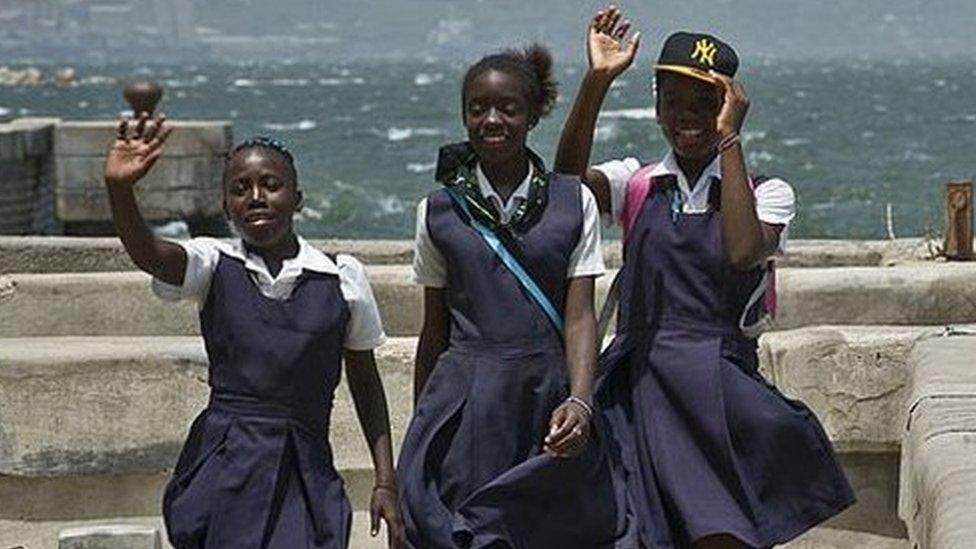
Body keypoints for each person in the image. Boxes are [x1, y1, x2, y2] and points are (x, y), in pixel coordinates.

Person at [555, 7, 855, 548]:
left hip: (716, 388)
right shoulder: (638, 182)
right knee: (636, 529)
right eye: (674, 103)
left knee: (722, 530)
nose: (686, 117)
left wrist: (729, 143)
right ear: (656, 107)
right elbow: (565, 186)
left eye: (705, 104)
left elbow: (742, 250)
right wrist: (597, 81)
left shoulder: (768, 192)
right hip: (640, 384)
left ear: (729, 108)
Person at [103, 116, 406, 549]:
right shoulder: (213, 265)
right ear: (226, 207)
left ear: (298, 198)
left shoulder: (340, 278)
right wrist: (119, 190)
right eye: (240, 189)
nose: (256, 197)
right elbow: (149, 253)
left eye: (271, 184)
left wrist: (385, 481)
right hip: (225, 462)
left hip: (305, 466)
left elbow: (365, 382)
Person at [396, 45, 631, 548]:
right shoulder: (438, 211)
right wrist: (421, 430)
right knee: (466, 527)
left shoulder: (574, 202)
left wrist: (581, 401)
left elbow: (580, 317)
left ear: (533, 116)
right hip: (466, 403)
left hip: (546, 399)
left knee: (550, 531)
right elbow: (434, 330)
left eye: (508, 108)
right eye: (477, 108)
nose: (491, 119)